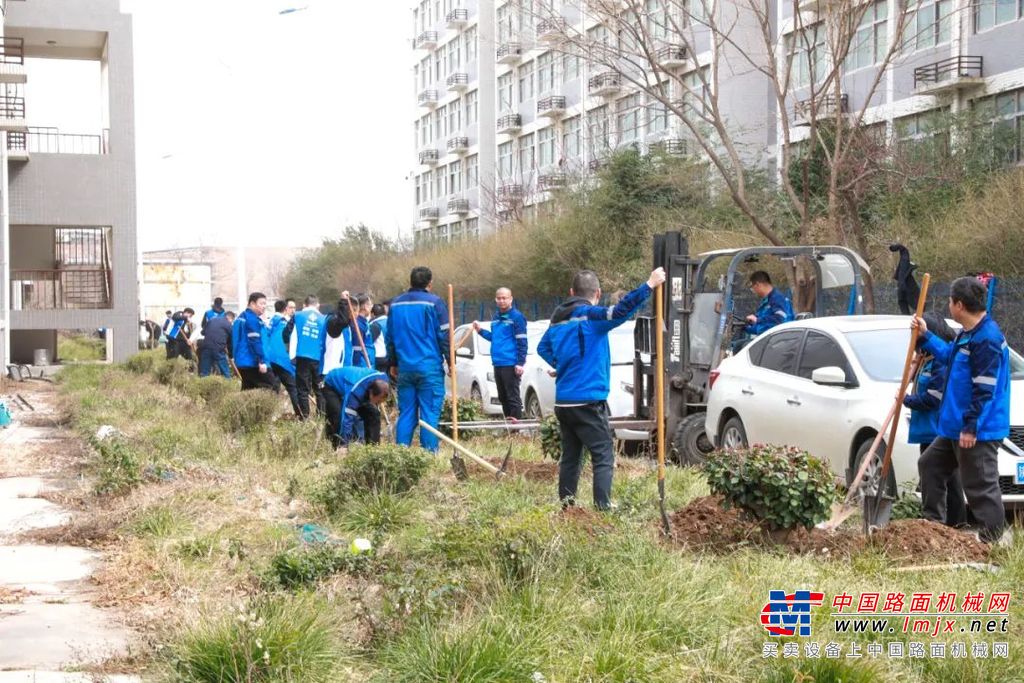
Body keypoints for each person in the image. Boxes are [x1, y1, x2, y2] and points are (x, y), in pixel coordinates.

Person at [538, 267, 666, 510]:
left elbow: (543, 348)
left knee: (571, 457)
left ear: (571, 292)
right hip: (587, 401)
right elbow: (619, 311)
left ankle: (568, 508)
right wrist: (648, 285)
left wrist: (563, 365)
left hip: (564, 401)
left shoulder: (557, 319)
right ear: (597, 293)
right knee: (603, 454)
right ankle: (603, 509)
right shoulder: (590, 316)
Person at [913, 276, 1010, 543]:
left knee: (980, 487)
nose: (948, 305)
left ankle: (992, 544)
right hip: (954, 427)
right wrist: (926, 336)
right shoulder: (969, 334)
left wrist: (971, 426)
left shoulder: (986, 339)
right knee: (930, 464)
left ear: (958, 305)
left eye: (949, 301)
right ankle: (933, 527)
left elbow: (984, 390)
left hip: (977, 430)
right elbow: (949, 356)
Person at [903, 312, 966, 528]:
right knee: (941, 476)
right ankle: (945, 523)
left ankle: (951, 524)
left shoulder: (940, 362)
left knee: (946, 478)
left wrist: (907, 400)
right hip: (926, 430)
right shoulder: (924, 360)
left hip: (937, 428)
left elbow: (934, 398)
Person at [386, 266, 450, 453]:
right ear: (430, 283)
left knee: (406, 413)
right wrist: (451, 360)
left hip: (405, 368)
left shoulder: (396, 304)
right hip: (428, 367)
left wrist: (393, 363)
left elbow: (390, 337)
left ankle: (401, 454)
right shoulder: (435, 303)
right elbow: (444, 336)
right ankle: (429, 454)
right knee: (429, 413)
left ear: (410, 281)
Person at [473, 287, 528, 420]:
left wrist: (520, 363)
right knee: (503, 397)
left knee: (512, 397)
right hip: (498, 362)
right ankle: (509, 427)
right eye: (499, 298)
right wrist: (480, 331)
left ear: (511, 299)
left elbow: (522, 342)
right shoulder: (496, 317)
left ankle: (516, 431)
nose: (502, 301)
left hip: (510, 363)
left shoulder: (517, 317)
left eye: (504, 298)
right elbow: (495, 337)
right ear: (495, 300)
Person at [321, 365, 390, 449]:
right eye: (378, 401)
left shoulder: (384, 380)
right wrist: (344, 445)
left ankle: (373, 449)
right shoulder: (356, 392)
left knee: (374, 414)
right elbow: (347, 419)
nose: (379, 403)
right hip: (331, 385)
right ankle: (337, 448)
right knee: (338, 417)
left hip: (355, 383)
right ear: (371, 393)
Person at [285, 295, 326, 418]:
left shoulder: (297, 316)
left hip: (302, 356)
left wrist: (289, 348)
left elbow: (286, 333)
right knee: (320, 389)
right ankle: (321, 417)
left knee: (302, 389)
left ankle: (305, 417)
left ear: (305, 304)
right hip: (318, 358)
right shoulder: (324, 319)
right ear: (317, 305)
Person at [232, 292, 278, 391]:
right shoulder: (252, 319)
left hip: (243, 360)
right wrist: (261, 361)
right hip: (252, 362)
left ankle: (240, 406)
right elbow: (254, 340)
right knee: (272, 387)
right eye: (261, 303)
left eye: (265, 303)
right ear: (252, 304)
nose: (264, 306)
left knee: (248, 390)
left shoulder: (242, 317)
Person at [268, 299, 300, 416]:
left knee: (273, 387)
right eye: (290, 308)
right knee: (293, 387)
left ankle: (269, 413)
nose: (293, 310)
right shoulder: (286, 323)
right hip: (283, 359)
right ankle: (301, 415)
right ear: (285, 309)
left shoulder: (273, 322)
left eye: (294, 308)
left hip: (272, 359)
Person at [743, 271, 794, 336]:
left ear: (758, 285)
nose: (753, 290)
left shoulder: (777, 298)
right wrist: (746, 327)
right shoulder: (766, 301)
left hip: (778, 340)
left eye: (752, 287)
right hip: (767, 338)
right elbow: (762, 327)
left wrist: (757, 319)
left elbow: (780, 318)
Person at [199, 310, 235, 378]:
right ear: (230, 318)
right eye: (232, 321)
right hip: (219, 349)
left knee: (205, 371)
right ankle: (228, 383)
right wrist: (231, 356)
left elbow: (202, 332)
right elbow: (230, 343)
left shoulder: (212, 320)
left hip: (206, 347)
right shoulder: (229, 325)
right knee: (225, 370)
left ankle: (203, 384)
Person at [350, 294, 375, 369]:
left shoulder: (364, 322)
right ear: (365, 306)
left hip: (368, 360)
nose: (372, 307)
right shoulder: (357, 324)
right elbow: (356, 347)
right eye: (370, 304)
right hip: (361, 364)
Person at [369, 303, 390, 374]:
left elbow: (369, 341)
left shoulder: (375, 325)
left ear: (372, 314)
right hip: (389, 356)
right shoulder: (390, 322)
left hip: (378, 357)